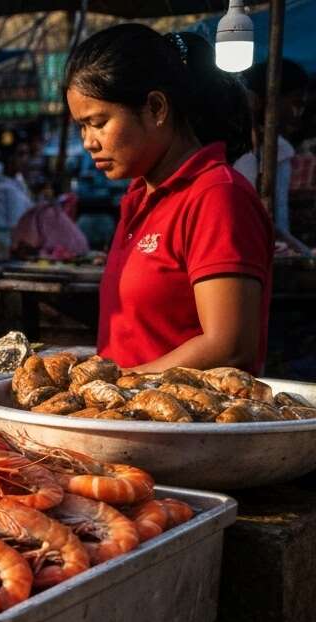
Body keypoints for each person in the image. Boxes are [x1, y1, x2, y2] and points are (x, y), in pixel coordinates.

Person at [66, 26, 270, 373]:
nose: (88, 141)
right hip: (125, 419)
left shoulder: (217, 196)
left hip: (187, 424)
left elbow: (230, 346)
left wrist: (123, 383)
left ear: (156, 108)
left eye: (98, 123)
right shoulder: (139, 198)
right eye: (81, 127)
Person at [234, 59, 310, 257]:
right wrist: (304, 252)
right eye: (295, 102)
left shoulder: (281, 149)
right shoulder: (240, 149)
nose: (298, 112)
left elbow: (278, 219)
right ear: (260, 101)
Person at [0, 139, 33, 254]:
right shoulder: (4, 189)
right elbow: (15, 225)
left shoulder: (19, 183)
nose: (25, 159)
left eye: (27, 154)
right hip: (6, 248)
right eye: (20, 154)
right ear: (9, 157)